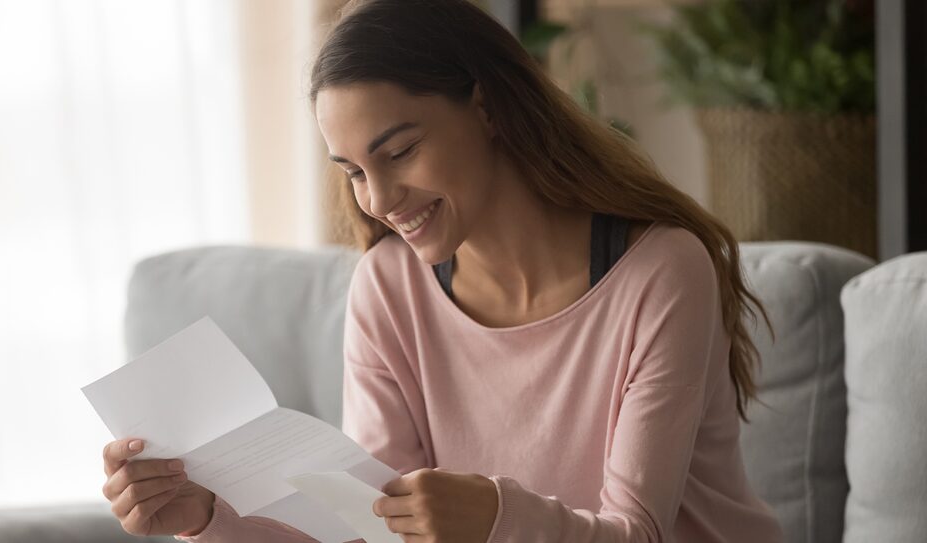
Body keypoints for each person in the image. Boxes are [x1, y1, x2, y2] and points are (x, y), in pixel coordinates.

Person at [101, 0, 785, 541]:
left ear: (486, 106)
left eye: (397, 151)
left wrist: (492, 516)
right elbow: (372, 533)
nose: (378, 200)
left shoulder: (661, 272)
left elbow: (637, 534)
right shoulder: (389, 288)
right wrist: (206, 516)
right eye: (354, 173)